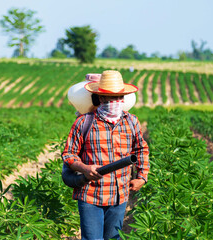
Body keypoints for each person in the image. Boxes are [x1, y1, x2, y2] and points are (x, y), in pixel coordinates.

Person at [61, 70, 150, 240]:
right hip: (90, 194)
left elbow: (141, 150)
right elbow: (69, 154)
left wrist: (142, 177)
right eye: (110, 98)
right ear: (100, 98)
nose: (115, 102)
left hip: (119, 195)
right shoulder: (84, 122)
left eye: (118, 97)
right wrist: (85, 168)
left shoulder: (131, 121)